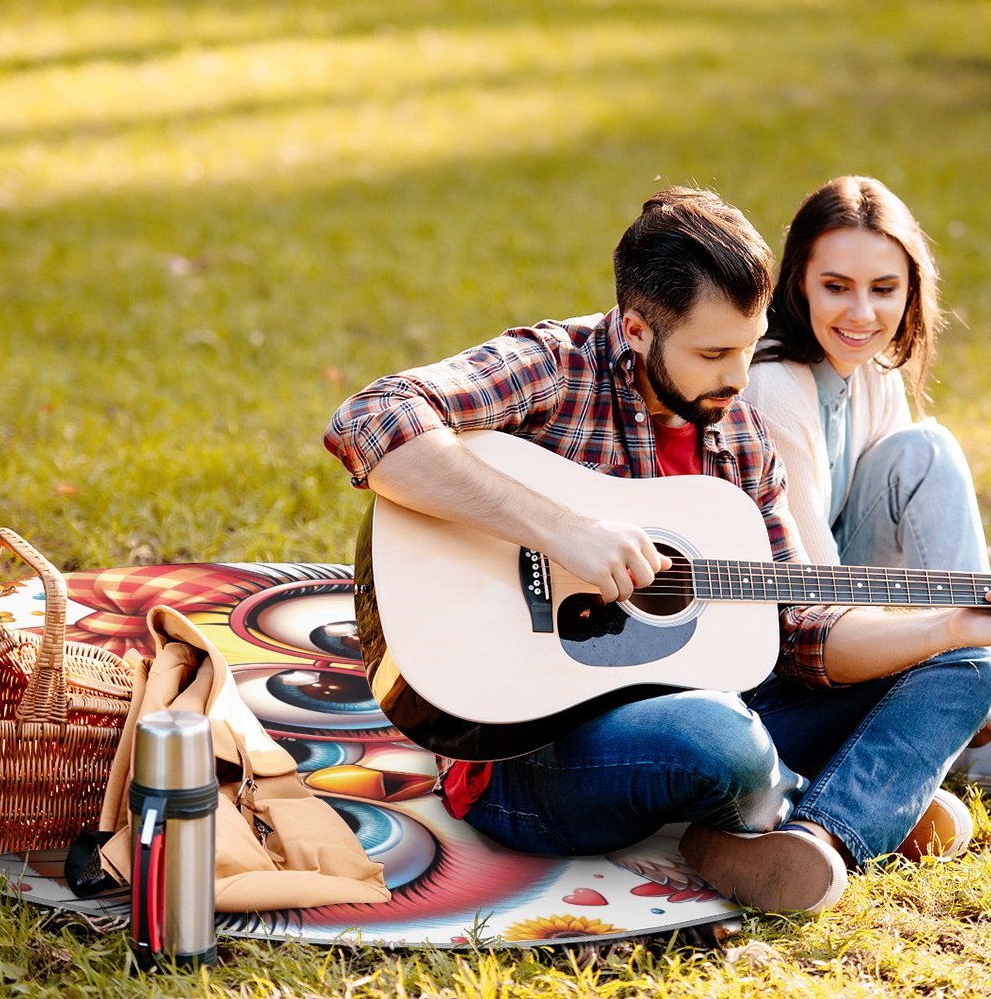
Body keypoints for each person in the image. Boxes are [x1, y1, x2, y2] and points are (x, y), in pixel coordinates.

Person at [324, 186, 991, 915]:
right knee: (719, 740)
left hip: (716, 709)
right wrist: (560, 530)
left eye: (748, 345)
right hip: (528, 755)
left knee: (971, 664)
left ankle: (820, 835)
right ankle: (845, 795)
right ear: (637, 329)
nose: (739, 379)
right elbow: (371, 418)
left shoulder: (739, 434)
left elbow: (800, 628)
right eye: (713, 353)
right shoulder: (555, 366)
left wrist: (948, 627)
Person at [744, 175, 991, 792]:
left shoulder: (872, 369)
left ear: (911, 291)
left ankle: (968, 695)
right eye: (836, 287)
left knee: (923, 450)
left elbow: (912, 519)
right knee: (928, 450)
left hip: (847, 605)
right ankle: (968, 704)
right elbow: (814, 601)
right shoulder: (774, 385)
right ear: (798, 280)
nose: (862, 314)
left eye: (884, 289)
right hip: (785, 644)